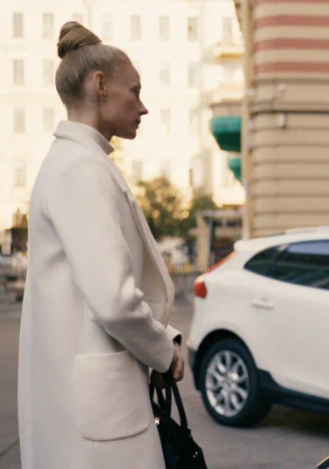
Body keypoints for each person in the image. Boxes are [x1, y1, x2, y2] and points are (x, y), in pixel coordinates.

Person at [17, 22, 184, 469]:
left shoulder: (75, 162)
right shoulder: (81, 169)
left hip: (89, 409)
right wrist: (164, 351)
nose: (143, 107)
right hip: (95, 428)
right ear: (101, 85)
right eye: (135, 91)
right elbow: (114, 301)